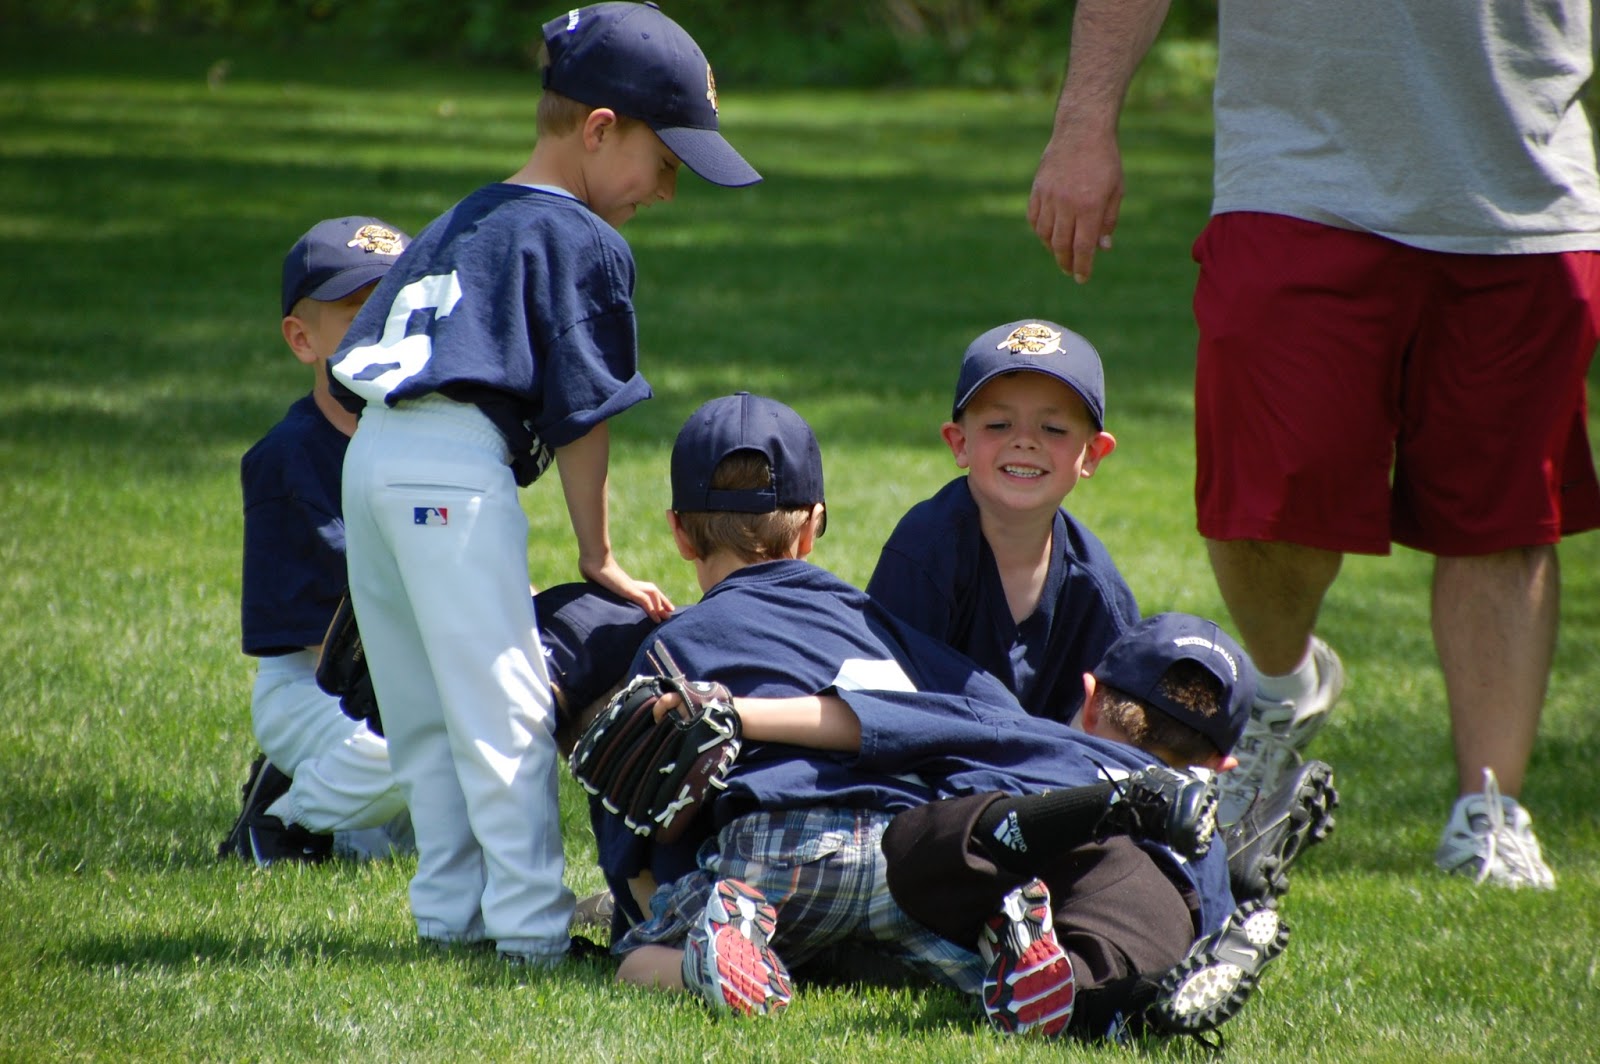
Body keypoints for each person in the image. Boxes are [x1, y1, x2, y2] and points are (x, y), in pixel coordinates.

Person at [1026, 0, 1600, 886]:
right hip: (1297, 173)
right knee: (1265, 503)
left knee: (1504, 519)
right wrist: (1084, 122)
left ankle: (1491, 809)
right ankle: (1284, 687)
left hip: (1521, 185)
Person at [591, 392, 1292, 1042]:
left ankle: (716, 955)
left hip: (773, 848)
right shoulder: (869, 619)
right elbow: (971, 711)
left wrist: (646, 908)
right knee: (948, 967)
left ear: (681, 534)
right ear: (813, 527)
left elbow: (634, 814)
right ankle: (1009, 952)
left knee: (638, 957)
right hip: (901, 852)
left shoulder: (672, 645)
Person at [326, 2, 760, 964]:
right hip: (452, 469)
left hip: (375, 458)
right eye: (667, 162)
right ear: (602, 131)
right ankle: (527, 930)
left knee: (425, 707)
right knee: (506, 703)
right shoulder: (585, 241)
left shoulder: (464, 214)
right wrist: (596, 554)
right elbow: (584, 412)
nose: (667, 191)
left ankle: (449, 913)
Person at [219, 215, 414, 868]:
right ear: (303, 339)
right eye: (359, 311)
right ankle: (280, 814)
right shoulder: (290, 459)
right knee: (411, 763)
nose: (383, 327)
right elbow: (318, 633)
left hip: (404, 674)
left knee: (468, 784)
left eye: (398, 307)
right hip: (315, 684)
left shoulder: (433, 440)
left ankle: (341, 827)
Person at [866, 319, 1138, 722]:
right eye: (998, 424)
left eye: (1054, 428)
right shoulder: (925, 549)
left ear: (1093, 453)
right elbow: (879, 698)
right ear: (960, 443)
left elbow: (1125, 724)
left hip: (1050, 776)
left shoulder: (1094, 584)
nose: (1025, 440)